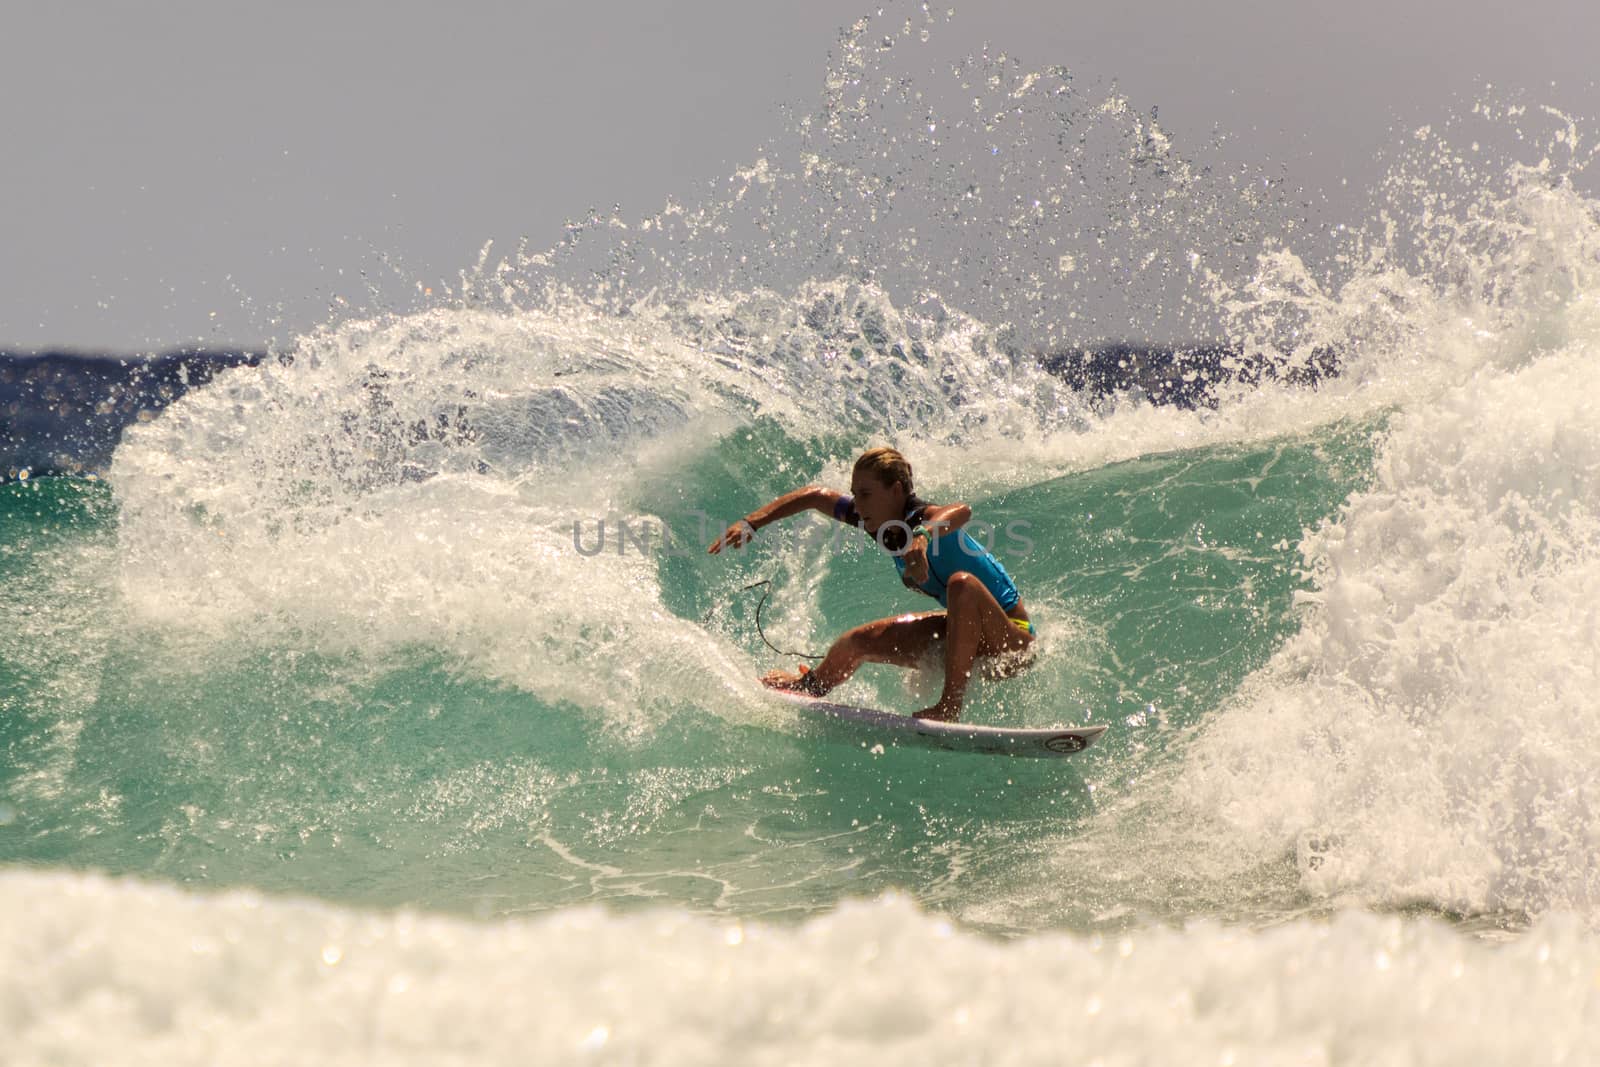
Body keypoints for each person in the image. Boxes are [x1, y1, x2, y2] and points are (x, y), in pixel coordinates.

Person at [706, 446, 1034, 722]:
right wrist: (753, 522)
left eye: (865, 494)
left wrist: (922, 536)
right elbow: (814, 497)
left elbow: (961, 511)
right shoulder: (874, 521)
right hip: (962, 636)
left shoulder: (923, 519)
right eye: (854, 494)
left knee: (961, 584)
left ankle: (949, 706)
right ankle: (810, 686)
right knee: (856, 642)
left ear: (896, 491)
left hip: (1011, 641)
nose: (858, 504)